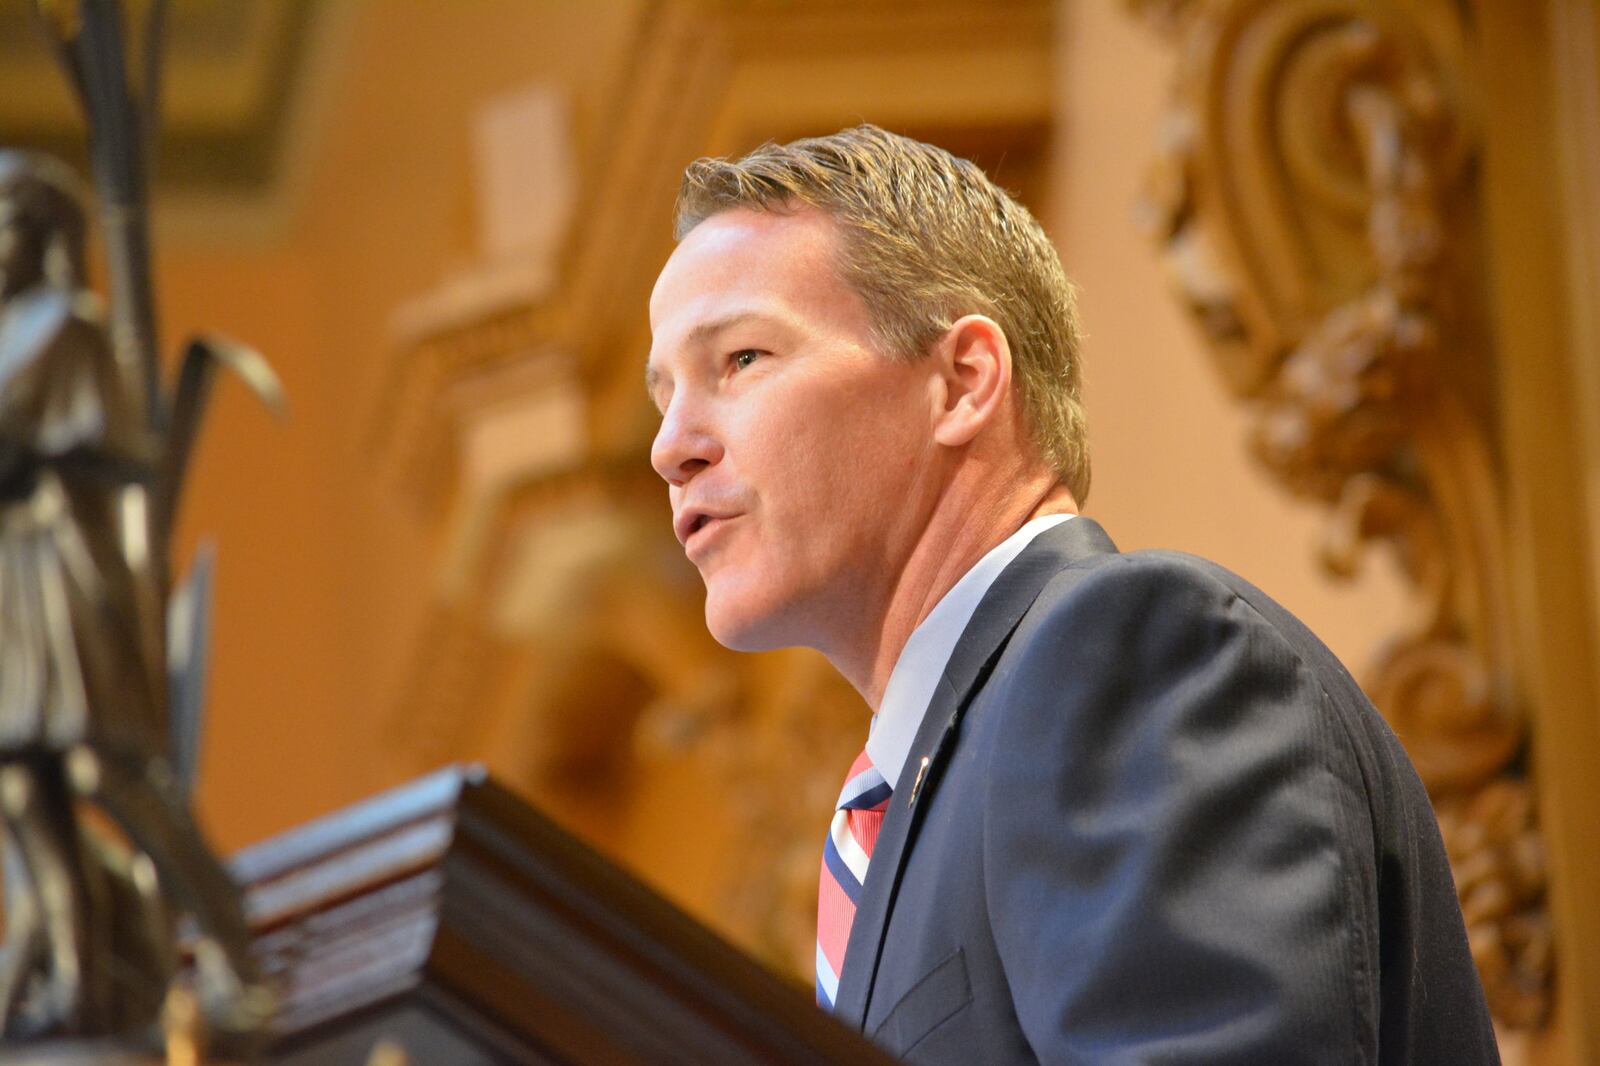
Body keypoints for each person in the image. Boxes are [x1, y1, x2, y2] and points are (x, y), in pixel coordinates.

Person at [644, 126, 1498, 1064]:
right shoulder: (924, 794)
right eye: (663, 397)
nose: (671, 447)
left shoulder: (1126, 659)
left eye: (740, 361)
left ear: (963, 382)